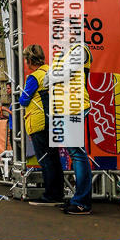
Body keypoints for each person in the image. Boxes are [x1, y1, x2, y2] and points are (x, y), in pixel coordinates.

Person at [43, 43, 94, 215]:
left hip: (75, 107)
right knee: (75, 153)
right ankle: (78, 199)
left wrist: (53, 76)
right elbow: (47, 79)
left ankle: (82, 202)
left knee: (78, 154)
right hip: (64, 109)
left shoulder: (80, 49)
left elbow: (63, 74)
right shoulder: (61, 55)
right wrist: (54, 76)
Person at [19, 44, 64, 205]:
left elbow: (23, 100)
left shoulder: (34, 77)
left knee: (45, 160)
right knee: (54, 158)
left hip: (38, 122)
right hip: (55, 120)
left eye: (26, 60)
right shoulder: (53, 72)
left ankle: (50, 195)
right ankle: (58, 194)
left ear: (30, 60)